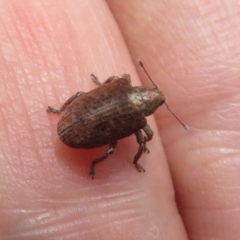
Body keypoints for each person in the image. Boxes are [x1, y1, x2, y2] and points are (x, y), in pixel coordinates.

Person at [1, 1, 239, 239]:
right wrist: (139, 152)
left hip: (78, 124)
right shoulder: (137, 118)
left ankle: (63, 117)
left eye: (156, 100)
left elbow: (115, 80)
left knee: (85, 101)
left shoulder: (124, 88)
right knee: (119, 143)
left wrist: (101, 87)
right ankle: (92, 156)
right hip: (76, 124)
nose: (157, 97)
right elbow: (146, 135)